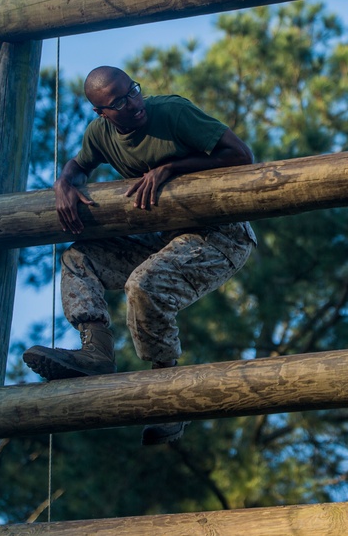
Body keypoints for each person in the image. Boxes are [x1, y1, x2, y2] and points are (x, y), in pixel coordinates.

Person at [23, 66, 256, 446]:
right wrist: (64, 182)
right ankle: (96, 351)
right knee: (79, 258)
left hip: (220, 237)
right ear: (102, 113)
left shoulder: (172, 112)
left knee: (144, 285)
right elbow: (79, 165)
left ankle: (167, 395)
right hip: (164, 238)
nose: (133, 104)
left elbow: (241, 155)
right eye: (119, 103)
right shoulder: (99, 134)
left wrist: (171, 168)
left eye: (133, 91)